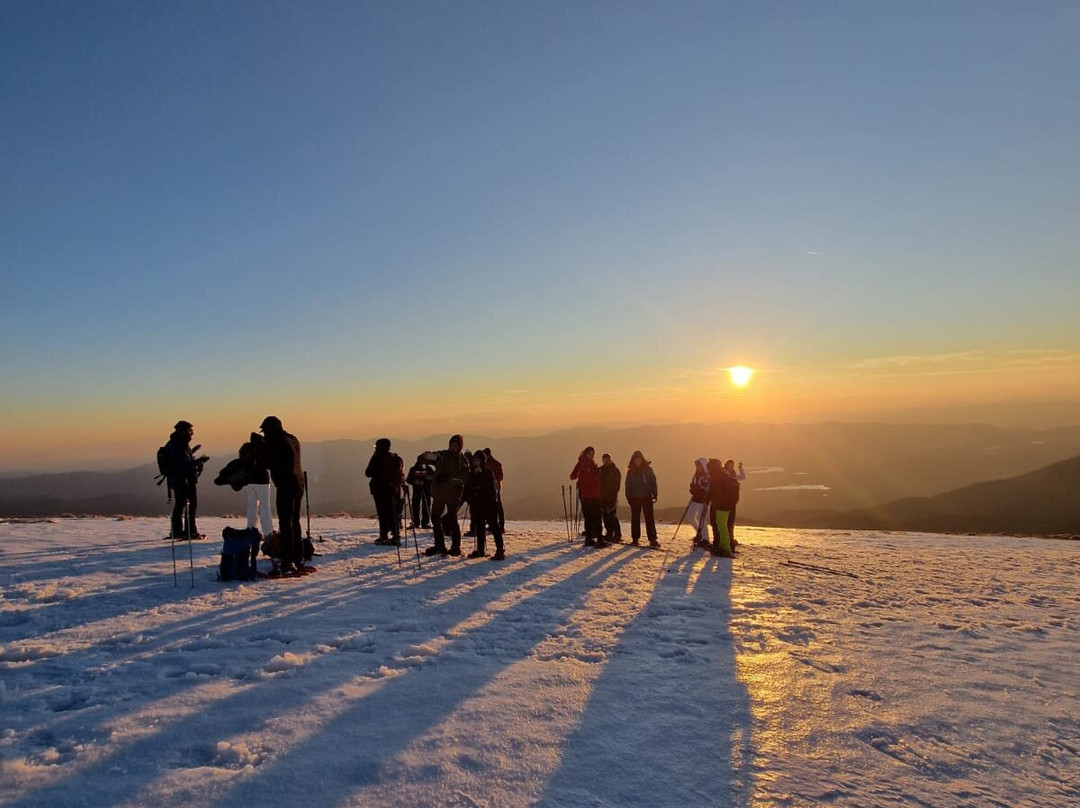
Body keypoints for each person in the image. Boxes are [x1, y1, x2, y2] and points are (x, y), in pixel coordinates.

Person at [257, 415, 307, 574]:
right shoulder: (292, 439)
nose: (265, 434)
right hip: (298, 483)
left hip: (286, 485)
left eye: (265, 431)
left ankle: (288, 561)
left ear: (271, 430)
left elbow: (264, 463)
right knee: (294, 521)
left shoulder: (276, 442)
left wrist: (261, 447)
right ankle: (298, 555)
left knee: (286, 523)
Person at [422, 434, 469, 557]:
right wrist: (425, 457)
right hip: (439, 493)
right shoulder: (442, 455)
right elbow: (425, 459)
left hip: (453, 495)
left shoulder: (462, 460)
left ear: (460, 446)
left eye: (456, 445)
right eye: (452, 444)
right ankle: (439, 545)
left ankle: (456, 547)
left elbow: (464, 478)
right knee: (435, 518)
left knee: (452, 519)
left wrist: (448, 478)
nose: (453, 447)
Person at [164, 420, 209, 540]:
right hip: (184, 480)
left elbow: (182, 461)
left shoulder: (173, 443)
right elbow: (184, 465)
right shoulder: (180, 445)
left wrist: (193, 455)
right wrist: (199, 461)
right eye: (190, 431)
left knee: (180, 504)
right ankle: (190, 532)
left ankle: (177, 531)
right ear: (184, 431)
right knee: (191, 505)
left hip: (176, 479)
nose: (191, 434)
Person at [464, 451, 505, 560]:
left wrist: (476, 492)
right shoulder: (472, 473)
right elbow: (467, 489)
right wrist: (470, 498)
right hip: (477, 505)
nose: (475, 461)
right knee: (480, 527)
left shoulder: (487, 472)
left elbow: (489, 488)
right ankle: (481, 550)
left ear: (482, 461)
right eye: (474, 459)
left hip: (489, 504)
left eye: (477, 459)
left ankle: (500, 550)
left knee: (494, 526)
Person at [366, 438, 404, 546]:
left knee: (382, 513)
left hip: (379, 489)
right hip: (393, 490)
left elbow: (368, 473)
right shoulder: (395, 458)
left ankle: (383, 536)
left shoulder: (377, 457)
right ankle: (396, 536)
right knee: (392, 513)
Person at [239, 433, 273, 537]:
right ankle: (268, 532)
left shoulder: (245, 449)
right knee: (264, 507)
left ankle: (250, 529)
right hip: (262, 481)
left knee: (251, 506)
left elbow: (242, 463)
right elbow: (268, 464)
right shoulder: (263, 449)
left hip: (250, 481)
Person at [570, 446, 605, 547]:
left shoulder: (581, 463)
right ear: (586, 454)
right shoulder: (590, 465)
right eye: (590, 454)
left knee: (588, 518)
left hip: (584, 495)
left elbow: (572, 476)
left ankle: (589, 539)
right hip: (593, 495)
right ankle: (599, 539)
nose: (591, 456)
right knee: (596, 518)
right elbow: (592, 479)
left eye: (592, 454)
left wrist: (579, 475)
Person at [625, 450, 659, 548]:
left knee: (649, 518)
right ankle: (635, 539)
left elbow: (653, 482)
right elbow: (628, 485)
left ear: (642, 459)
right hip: (635, 498)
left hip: (646, 497)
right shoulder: (631, 472)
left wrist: (654, 493)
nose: (637, 461)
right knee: (635, 518)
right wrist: (629, 497)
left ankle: (652, 539)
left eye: (639, 459)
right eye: (636, 459)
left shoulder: (648, 470)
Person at [706, 457, 739, 557]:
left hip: (721, 505)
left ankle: (724, 547)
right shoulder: (723, 476)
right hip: (726, 505)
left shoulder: (716, 477)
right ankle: (722, 545)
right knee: (721, 526)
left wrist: (709, 497)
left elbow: (715, 492)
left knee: (721, 526)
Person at [687, 458, 711, 550]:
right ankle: (699, 533)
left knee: (701, 519)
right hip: (695, 498)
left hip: (702, 500)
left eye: (699, 465)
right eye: (696, 465)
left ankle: (705, 538)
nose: (697, 467)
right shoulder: (696, 474)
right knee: (691, 517)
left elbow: (707, 488)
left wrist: (700, 490)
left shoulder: (706, 476)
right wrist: (692, 489)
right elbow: (692, 484)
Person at [598, 452, 622, 542]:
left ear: (610, 459)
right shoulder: (600, 470)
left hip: (611, 497)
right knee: (605, 516)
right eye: (605, 460)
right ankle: (609, 533)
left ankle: (617, 534)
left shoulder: (615, 470)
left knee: (612, 515)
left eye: (607, 460)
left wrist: (613, 494)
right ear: (603, 460)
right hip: (602, 497)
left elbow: (617, 485)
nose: (606, 461)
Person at [406, 454, 434, 529]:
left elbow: (433, 479)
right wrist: (415, 481)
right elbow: (408, 480)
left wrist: (425, 481)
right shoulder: (413, 469)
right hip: (417, 490)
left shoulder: (429, 469)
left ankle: (425, 522)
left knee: (426, 506)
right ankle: (416, 522)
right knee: (415, 506)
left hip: (426, 490)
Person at [723, 459, 746, 549]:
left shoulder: (732, 474)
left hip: (733, 501)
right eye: (729, 465)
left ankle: (730, 538)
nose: (731, 466)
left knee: (730, 520)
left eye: (732, 465)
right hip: (727, 501)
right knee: (727, 520)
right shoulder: (725, 473)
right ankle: (728, 538)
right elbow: (742, 477)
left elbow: (742, 477)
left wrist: (740, 468)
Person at [483, 448, 506, 532]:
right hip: (496, 487)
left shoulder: (488, 464)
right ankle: (499, 525)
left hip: (492, 488)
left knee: (495, 507)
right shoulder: (497, 464)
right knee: (497, 507)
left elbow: (499, 477)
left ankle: (496, 525)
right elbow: (501, 477)